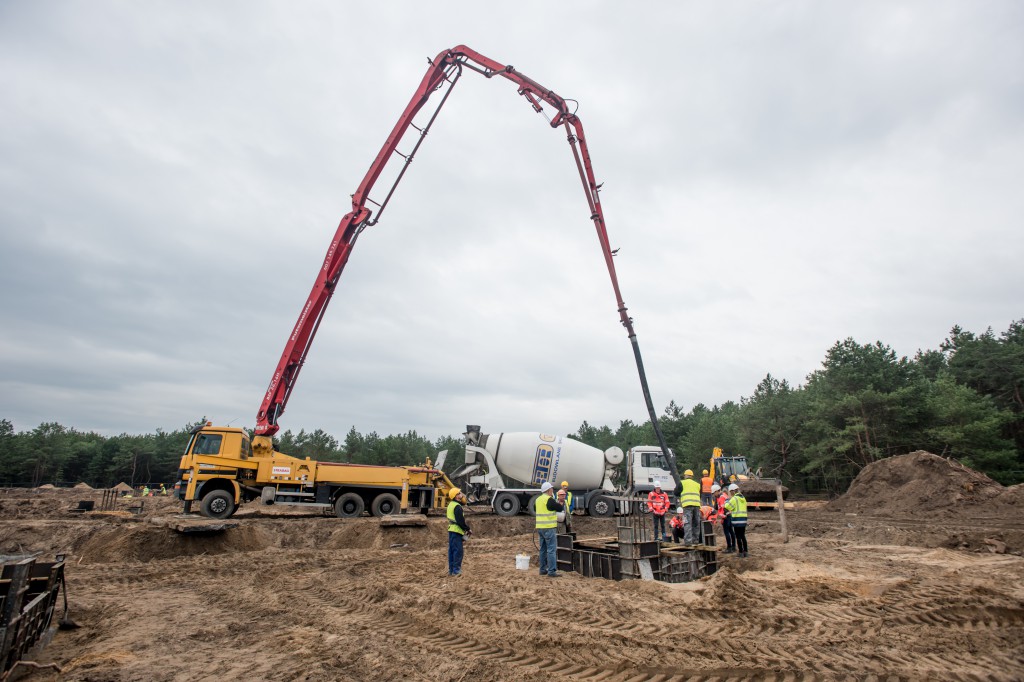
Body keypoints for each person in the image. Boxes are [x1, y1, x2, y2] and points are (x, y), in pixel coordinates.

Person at [535, 481, 565, 577]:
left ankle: (542, 569)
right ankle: (552, 571)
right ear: (548, 490)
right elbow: (559, 508)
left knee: (543, 549)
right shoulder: (549, 499)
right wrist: (559, 502)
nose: (552, 491)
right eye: (551, 489)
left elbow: (536, 509)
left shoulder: (538, 500)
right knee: (551, 550)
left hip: (540, 528)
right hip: (549, 528)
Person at [446, 487, 471, 576]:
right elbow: (460, 521)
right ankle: (456, 571)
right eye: (459, 493)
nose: (461, 494)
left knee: (452, 551)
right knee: (458, 551)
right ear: (456, 496)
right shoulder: (457, 507)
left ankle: (451, 570)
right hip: (456, 531)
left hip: (451, 530)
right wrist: (467, 529)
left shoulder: (451, 504)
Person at [725, 483, 749, 557]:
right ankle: (746, 551)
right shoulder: (743, 498)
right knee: (743, 536)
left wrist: (727, 500)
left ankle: (741, 552)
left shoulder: (734, 499)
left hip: (737, 520)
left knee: (738, 536)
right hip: (744, 520)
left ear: (732, 491)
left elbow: (728, 506)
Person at [679, 469, 702, 545]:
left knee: (687, 523)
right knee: (696, 523)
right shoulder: (697, 484)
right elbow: (700, 494)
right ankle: (695, 540)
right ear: (692, 476)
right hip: (696, 505)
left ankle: (688, 541)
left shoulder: (682, 483)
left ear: (685, 475)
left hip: (687, 505)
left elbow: (676, 492)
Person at [716, 484, 736, 553]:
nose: (713, 495)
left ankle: (729, 547)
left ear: (716, 491)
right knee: (731, 531)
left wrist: (723, 517)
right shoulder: (725, 496)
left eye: (714, 493)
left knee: (727, 532)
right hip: (729, 515)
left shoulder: (721, 497)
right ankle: (733, 546)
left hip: (726, 517)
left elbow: (723, 508)